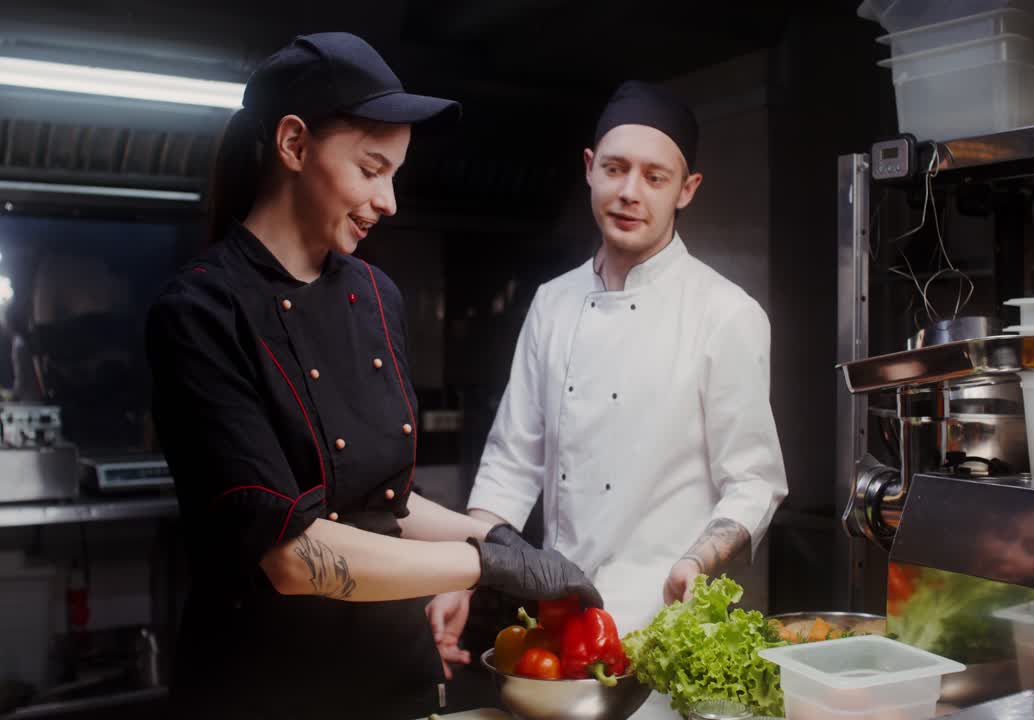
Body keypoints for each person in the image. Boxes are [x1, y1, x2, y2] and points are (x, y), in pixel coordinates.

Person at [145, 33, 600, 720]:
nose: (388, 201)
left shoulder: (375, 295)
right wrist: (487, 566)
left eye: (394, 174)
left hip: (394, 678)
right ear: (294, 145)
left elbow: (386, 501)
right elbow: (289, 555)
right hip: (266, 689)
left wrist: (490, 537)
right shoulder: (201, 312)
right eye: (370, 169)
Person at [427, 81, 788, 716]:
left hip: (666, 626)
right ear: (590, 168)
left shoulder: (725, 314)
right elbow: (512, 460)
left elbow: (754, 481)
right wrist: (461, 572)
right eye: (616, 169)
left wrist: (696, 559)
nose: (630, 192)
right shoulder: (552, 303)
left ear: (686, 190)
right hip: (563, 628)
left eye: (655, 177)